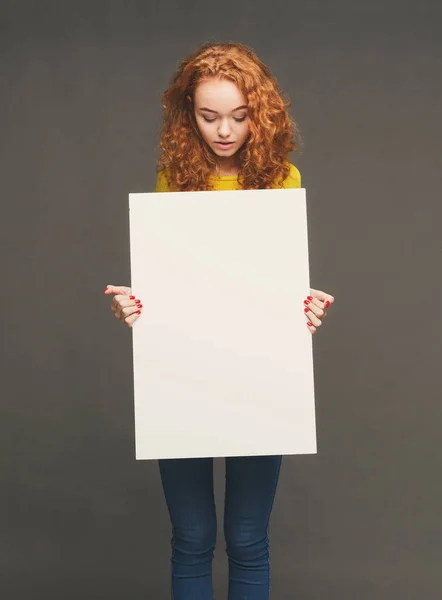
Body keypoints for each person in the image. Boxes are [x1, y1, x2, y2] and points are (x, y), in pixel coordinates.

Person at [104, 42, 334, 600]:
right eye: (209, 117)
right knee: (192, 536)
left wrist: (301, 305)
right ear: (190, 115)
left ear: (262, 112)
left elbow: (270, 280)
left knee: (248, 538)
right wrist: (136, 305)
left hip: (258, 375)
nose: (224, 131)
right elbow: (176, 282)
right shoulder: (174, 177)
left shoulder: (284, 176)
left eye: (238, 116)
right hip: (184, 374)